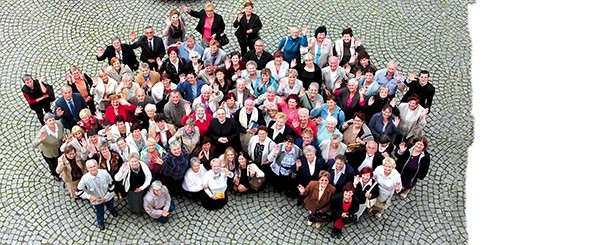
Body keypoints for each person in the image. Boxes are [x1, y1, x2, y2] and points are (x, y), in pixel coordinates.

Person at [76, 159, 118, 230]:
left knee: (111, 206)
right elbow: (78, 192)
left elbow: (112, 185)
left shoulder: (104, 173)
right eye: (90, 167)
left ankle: (113, 211)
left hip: (107, 196)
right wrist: (89, 197)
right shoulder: (85, 179)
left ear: (97, 165)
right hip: (97, 200)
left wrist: (106, 197)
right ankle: (100, 223)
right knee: (100, 212)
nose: (93, 168)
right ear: (87, 168)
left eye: (94, 166)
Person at [34, 113, 65, 181]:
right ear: (45, 122)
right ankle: (55, 174)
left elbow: (62, 132)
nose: (52, 122)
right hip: (49, 152)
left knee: (60, 160)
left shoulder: (59, 124)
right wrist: (40, 140)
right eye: (50, 121)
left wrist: (63, 137)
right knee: (53, 165)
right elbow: (34, 144)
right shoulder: (43, 131)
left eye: (53, 120)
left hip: (58, 148)